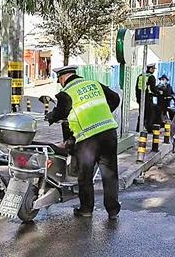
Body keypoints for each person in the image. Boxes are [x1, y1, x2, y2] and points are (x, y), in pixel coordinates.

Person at [45, 66, 121, 219]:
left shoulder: (66, 93)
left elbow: (61, 112)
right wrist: (103, 113)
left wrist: (50, 116)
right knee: (110, 174)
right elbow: (115, 99)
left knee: (85, 176)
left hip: (88, 139)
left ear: (62, 78)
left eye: (59, 80)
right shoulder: (94, 84)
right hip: (108, 132)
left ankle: (86, 209)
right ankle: (113, 211)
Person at [135, 63, 159, 131]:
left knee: (142, 113)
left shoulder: (140, 76)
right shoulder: (151, 77)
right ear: (150, 69)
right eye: (153, 69)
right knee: (150, 114)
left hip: (140, 98)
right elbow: (153, 89)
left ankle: (138, 128)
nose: (154, 70)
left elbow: (136, 88)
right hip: (148, 98)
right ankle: (149, 128)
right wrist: (158, 92)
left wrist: (137, 99)